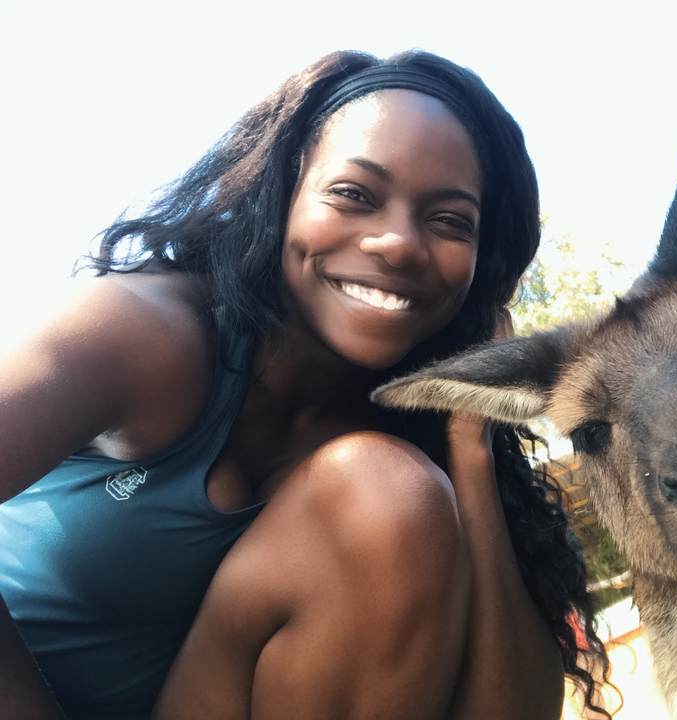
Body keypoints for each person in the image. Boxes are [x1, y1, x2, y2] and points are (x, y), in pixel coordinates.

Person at [0, 50, 611, 719]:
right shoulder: (145, 332)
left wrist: (471, 446)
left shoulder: (401, 450)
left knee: (385, 492)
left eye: (448, 221)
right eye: (355, 194)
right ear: (282, 195)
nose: (398, 243)